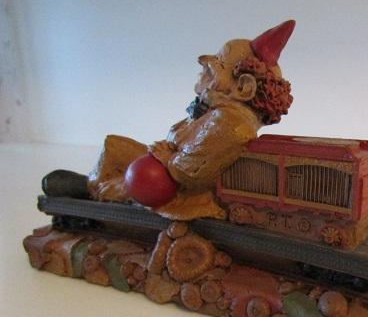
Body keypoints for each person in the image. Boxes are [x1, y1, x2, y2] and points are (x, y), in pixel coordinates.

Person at [88, 20, 295, 220]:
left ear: (243, 87)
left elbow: (189, 172)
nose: (205, 65)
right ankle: (96, 195)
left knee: (112, 170)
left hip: (179, 193)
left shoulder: (230, 123)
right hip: (161, 169)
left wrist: (165, 158)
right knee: (113, 146)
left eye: (218, 63)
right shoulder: (215, 109)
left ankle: (99, 204)